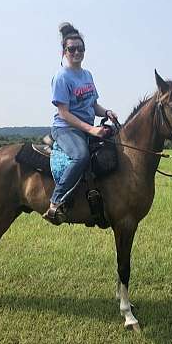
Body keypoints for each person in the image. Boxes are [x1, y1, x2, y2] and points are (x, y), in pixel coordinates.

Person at [43, 22, 118, 225]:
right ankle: (56, 202)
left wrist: (107, 112)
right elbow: (64, 113)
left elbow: (93, 105)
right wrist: (92, 129)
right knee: (81, 156)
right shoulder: (61, 77)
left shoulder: (87, 75)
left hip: (85, 127)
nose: (77, 52)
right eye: (72, 49)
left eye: (80, 48)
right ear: (64, 51)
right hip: (66, 128)